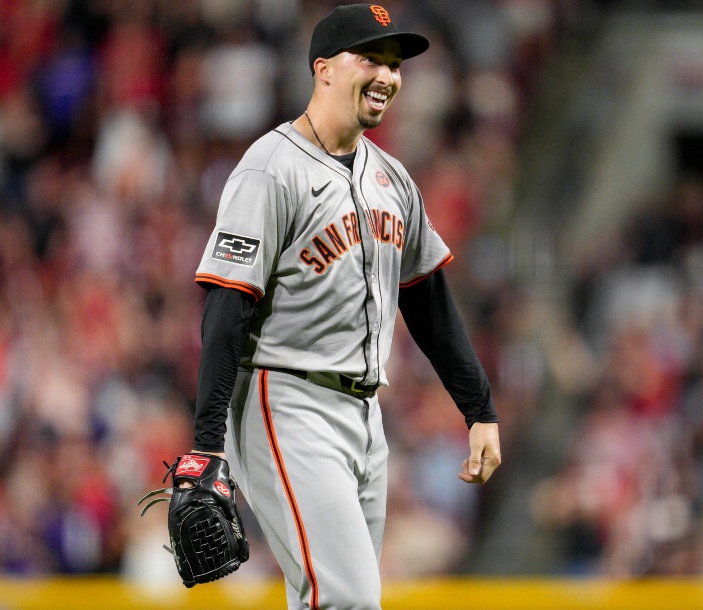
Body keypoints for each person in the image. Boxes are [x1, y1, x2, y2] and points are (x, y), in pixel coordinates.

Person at [186, 4, 501, 608]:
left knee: (326, 598)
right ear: (323, 69)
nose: (388, 75)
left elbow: (428, 300)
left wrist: (478, 408)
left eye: (394, 64)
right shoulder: (270, 168)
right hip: (286, 400)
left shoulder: (393, 178)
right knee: (349, 599)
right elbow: (227, 308)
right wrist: (207, 445)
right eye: (371, 59)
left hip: (365, 416)